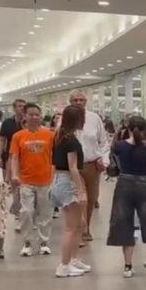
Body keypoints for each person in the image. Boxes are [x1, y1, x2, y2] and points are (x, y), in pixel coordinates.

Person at [107, 116, 146, 278]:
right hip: (144, 184)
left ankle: (128, 266)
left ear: (128, 129)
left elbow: (113, 156)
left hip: (124, 183)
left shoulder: (120, 146)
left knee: (124, 223)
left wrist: (118, 132)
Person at [50, 105, 91, 278]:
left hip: (61, 180)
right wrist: (80, 189)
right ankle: (64, 265)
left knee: (80, 224)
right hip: (67, 182)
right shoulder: (70, 140)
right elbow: (73, 167)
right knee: (72, 227)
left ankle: (73, 259)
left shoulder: (60, 136)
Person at [9, 103, 55, 257]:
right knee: (26, 212)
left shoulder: (50, 135)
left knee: (45, 213)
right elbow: (14, 158)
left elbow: (54, 157)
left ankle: (44, 242)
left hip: (46, 180)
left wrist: (54, 175)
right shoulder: (18, 136)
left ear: (40, 116)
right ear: (25, 116)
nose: (34, 117)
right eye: (31, 114)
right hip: (25, 181)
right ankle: (27, 242)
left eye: (37, 114)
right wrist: (15, 175)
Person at [70, 90, 110, 242]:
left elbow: (104, 142)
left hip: (92, 165)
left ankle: (86, 226)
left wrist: (104, 160)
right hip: (73, 166)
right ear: (71, 102)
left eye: (81, 100)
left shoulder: (94, 119)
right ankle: (80, 231)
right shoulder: (66, 119)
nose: (79, 102)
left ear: (86, 101)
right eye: (75, 100)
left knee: (92, 198)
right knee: (80, 198)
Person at [0, 99, 26, 226]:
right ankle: (18, 214)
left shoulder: (30, 122)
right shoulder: (7, 123)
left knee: (29, 187)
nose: (22, 108)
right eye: (19, 106)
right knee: (15, 186)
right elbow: (2, 141)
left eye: (24, 106)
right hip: (12, 157)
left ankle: (28, 214)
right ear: (14, 108)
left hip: (29, 158)